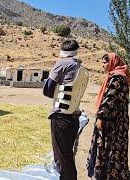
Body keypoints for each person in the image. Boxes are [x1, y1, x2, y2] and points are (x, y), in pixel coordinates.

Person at [43, 39, 89, 180]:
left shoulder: (61, 65)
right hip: (74, 117)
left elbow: (48, 91)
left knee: (62, 158)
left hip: (61, 117)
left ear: (62, 51)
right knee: (68, 154)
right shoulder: (82, 69)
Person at [87, 53, 130, 180]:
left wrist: (101, 117)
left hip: (111, 120)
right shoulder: (120, 75)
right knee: (115, 147)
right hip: (118, 119)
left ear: (112, 62)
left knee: (108, 146)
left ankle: (106, 174)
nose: (102, 65)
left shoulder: (117, 78)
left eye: (104, 62)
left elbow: (109, 99)